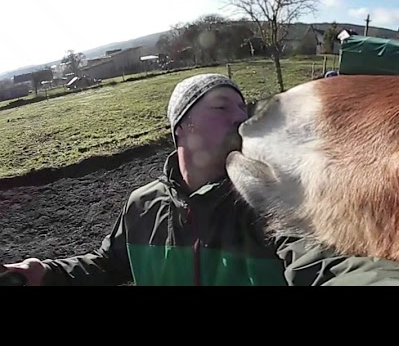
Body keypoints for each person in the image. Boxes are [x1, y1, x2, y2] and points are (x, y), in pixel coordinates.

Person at [2, 73, 288, 286]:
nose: (242, 119)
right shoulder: (143, 205)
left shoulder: (270, 202)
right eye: (222, 107)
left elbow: (319, 265)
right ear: (182, 126)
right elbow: (108, 264)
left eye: (242, 108)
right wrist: (46, 273)